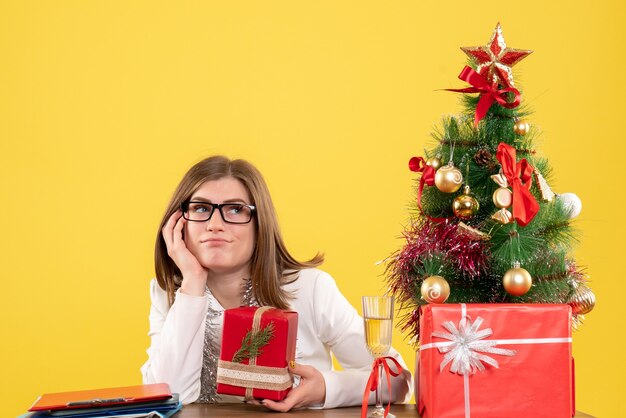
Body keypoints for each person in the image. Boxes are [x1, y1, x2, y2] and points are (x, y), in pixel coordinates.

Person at [141, 156, 412, 411]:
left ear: (260, 225)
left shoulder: (311, 288)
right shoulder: (168, 292)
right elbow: (170, 395)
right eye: (200, 208)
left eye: (235, 209)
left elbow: (398, 381)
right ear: (178, 224)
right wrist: (193, 282)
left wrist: (326, 388)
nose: (214, 224)